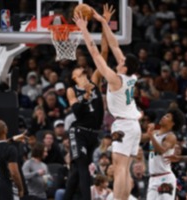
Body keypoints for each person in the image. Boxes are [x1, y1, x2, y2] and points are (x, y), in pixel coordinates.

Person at [73, 5, 142, 200]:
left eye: (121, 62)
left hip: (123, 124)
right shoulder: (131, 76)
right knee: (124, 169)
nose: (118, 60)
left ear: (125, 66)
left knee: (119, 168)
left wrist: (84, 29)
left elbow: (95, 54)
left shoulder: (115, 79)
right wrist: (103, 22)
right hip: (133, 125)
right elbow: (115, 46)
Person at [63, 5, 113, 200]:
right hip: (79, 131)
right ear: (74, 79)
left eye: (84, 71)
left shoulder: (95, 81)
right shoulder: (72, 90)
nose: (83, 73)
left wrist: (104, 24)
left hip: (93, 133)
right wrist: (85, 96)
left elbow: (104, 54)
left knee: (76, 171)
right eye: (79, 73)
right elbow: (76, 111)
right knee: (83, 166)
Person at [146, 108, 185, 200]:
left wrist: (150, 135)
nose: (163, 117)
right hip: (152, 178)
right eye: (164, 115)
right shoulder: (155, 133)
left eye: (167, 116)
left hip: (165, 177)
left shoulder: (170, 137)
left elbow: (161, 150)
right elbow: (139, 137)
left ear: (173, 123)